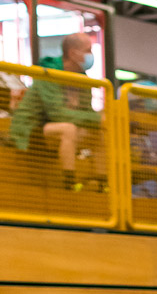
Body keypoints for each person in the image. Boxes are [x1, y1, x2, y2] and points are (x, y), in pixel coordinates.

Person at [9, 32, 101, 188]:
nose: (91, 55)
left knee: (100, 131)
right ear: (73, 53)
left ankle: (102, 183)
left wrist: (99, 121)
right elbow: (57, 114)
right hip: (32, 131)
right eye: (88, 50)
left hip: (58, 129)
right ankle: (69, 183)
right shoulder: (49, 73)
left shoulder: (83, 80)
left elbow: (88, 113)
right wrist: (98, 118)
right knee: (69, 129)